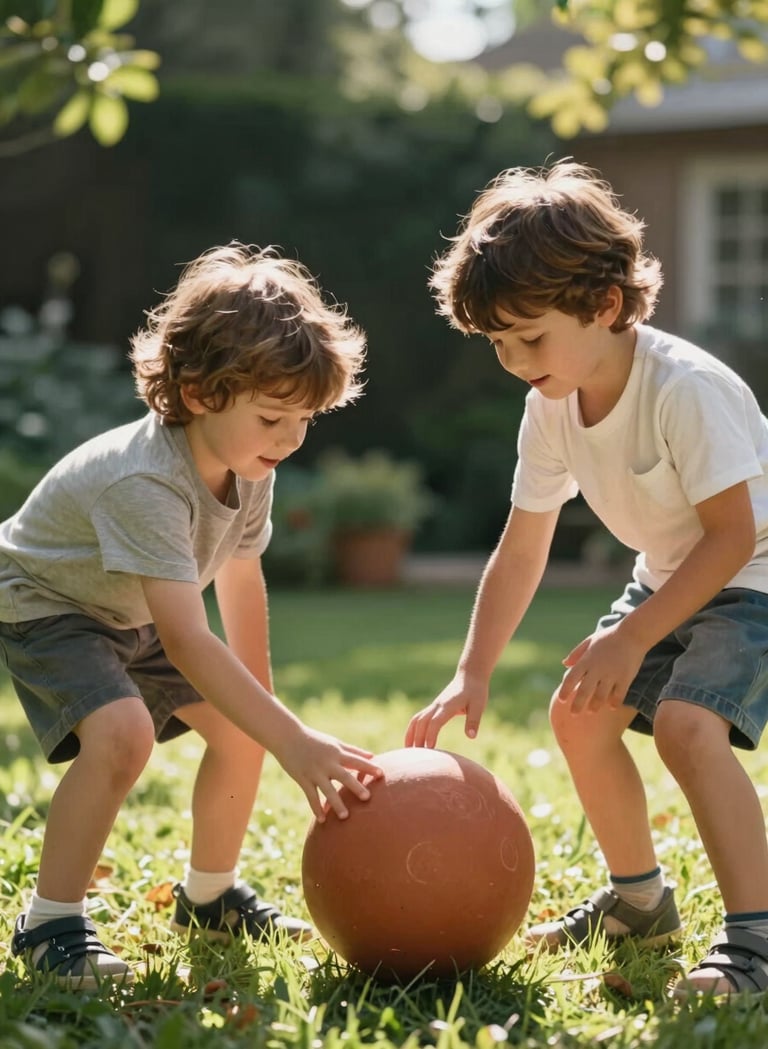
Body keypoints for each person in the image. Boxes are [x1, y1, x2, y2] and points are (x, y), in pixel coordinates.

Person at [406, 161, 768, 997]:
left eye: (527, 338)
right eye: (497, 343)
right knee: (578, 715)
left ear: (605, 305)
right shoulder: (552, 401)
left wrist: (635, 632)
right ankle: (639, 900)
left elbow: (731, 536)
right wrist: (473, 668)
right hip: (674, 573)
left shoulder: (686, 389)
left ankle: (754, 941)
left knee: (685, 726)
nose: (511, 360)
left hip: (750, 573)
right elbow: (522, 545)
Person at [0, 242, 382, 990]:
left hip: (127, 606)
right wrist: (293, 741)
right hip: (48, 601)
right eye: (275, 416)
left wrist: (268, 720)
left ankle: (209, 897)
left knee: (240, 727)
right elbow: (186, 635)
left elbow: (241, 583)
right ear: (202, 393)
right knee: (120, 735)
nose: (291, 438)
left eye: (305, 418)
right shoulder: (146, 481)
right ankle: (50, 923)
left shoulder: (251, 461)